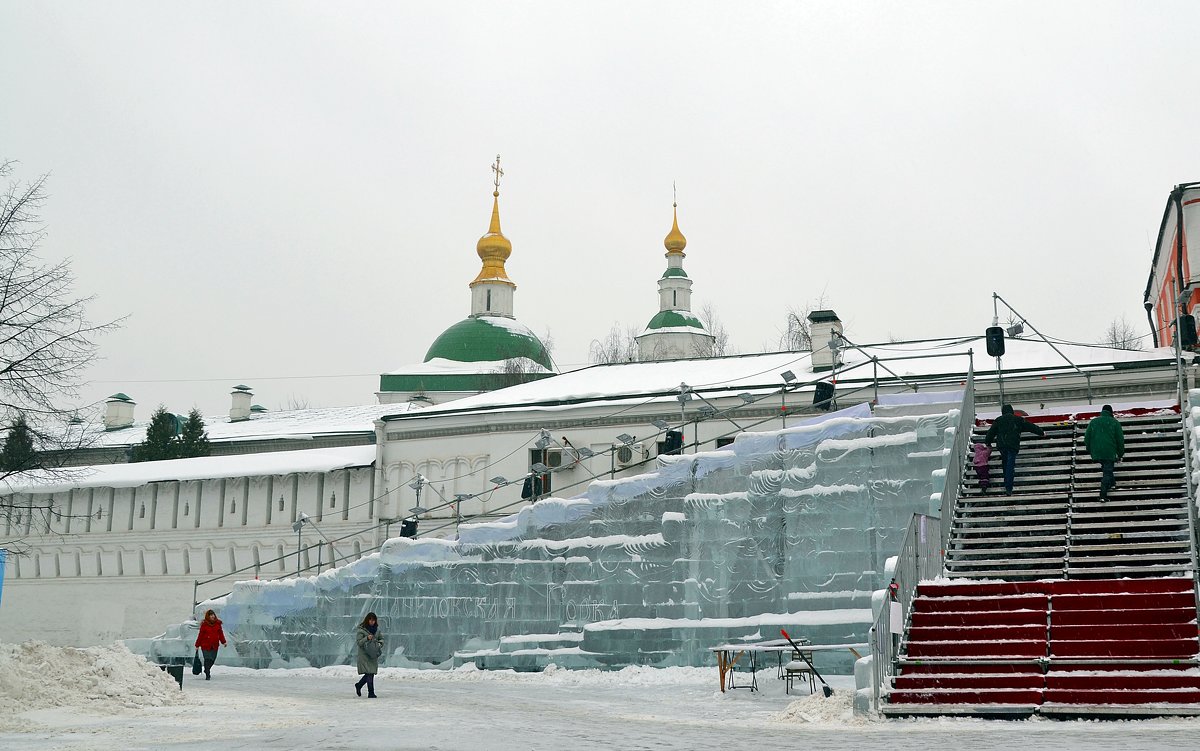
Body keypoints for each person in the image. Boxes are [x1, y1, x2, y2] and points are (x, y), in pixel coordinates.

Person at [985, 404, 1045, 496]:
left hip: (1002, 445)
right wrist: (1041, 432)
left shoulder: (999, 420)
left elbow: (991, 432)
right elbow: (1030, 426)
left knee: (1005, 465)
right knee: (1010, 465)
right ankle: (1009, 487)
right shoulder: (1017, 419)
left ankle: (1006, 484)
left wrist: (988, 442)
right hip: (1012, 445)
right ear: (1011, 411)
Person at [1084, 404, 1125, 501]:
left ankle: (1112, 484)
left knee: (1107, 468)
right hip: (1109, 451)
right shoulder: (1114, 423)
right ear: (1111, 412)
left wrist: (1090, 450)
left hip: (1097, 452)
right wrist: (1120, 453)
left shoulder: (1093, 422)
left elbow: (1086, 438)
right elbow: (1120, 440)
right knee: (1107, 471)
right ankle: (1103, 494)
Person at [354, 612, 384, 698]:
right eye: (370, 620)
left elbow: (381, 639)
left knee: (370, 673)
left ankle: (359, 685)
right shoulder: (361, 630)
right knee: (369, 673)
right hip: (364, 655)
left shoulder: (377, 630)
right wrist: (366, 638)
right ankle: (371, 692)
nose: (372, 622)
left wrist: (379, 644)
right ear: (367, 620)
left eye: (373, 620)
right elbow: (359, 642)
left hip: (373, 654)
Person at [194, 609, 227, 681]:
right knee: (207, 659)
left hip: (214, 645)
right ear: (208, 616)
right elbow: (200, 635)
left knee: (212, 660)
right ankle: (207, 674)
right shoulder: (204, 625)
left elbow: (220, 634)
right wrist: (197, 645)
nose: (213, 616)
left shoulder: (217, 624)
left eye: (213, 615)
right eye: (211, 615)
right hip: (205, 645)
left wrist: (223, 642)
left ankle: (206, 669)